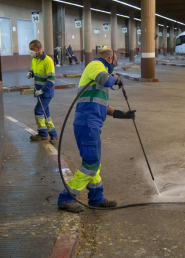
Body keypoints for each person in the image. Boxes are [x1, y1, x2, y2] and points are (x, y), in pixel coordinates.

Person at [57, 48, 136, 213]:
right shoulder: (95, 65)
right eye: (115, 61)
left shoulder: (97, 75)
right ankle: (66, 198)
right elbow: (107, 80)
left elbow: (101, 105)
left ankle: (96, 198)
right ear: (109, 58)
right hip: (87, 124)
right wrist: (115, 78)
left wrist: (123, 114)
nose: (115, 64)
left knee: (94, 163)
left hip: (91, 124)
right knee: (91, 163)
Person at [27, 40, 58, 144]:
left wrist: (42, 90)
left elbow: (51, 79)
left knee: (38, 111)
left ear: (39, 48)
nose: (30, 51)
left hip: (46, 92)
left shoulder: (48, 61)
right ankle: (53, 134)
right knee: (45, 113)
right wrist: (30, 73)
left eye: (32, 49)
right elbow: (34, 70)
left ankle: (43, 134)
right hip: (38, 91)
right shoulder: (34, 59)